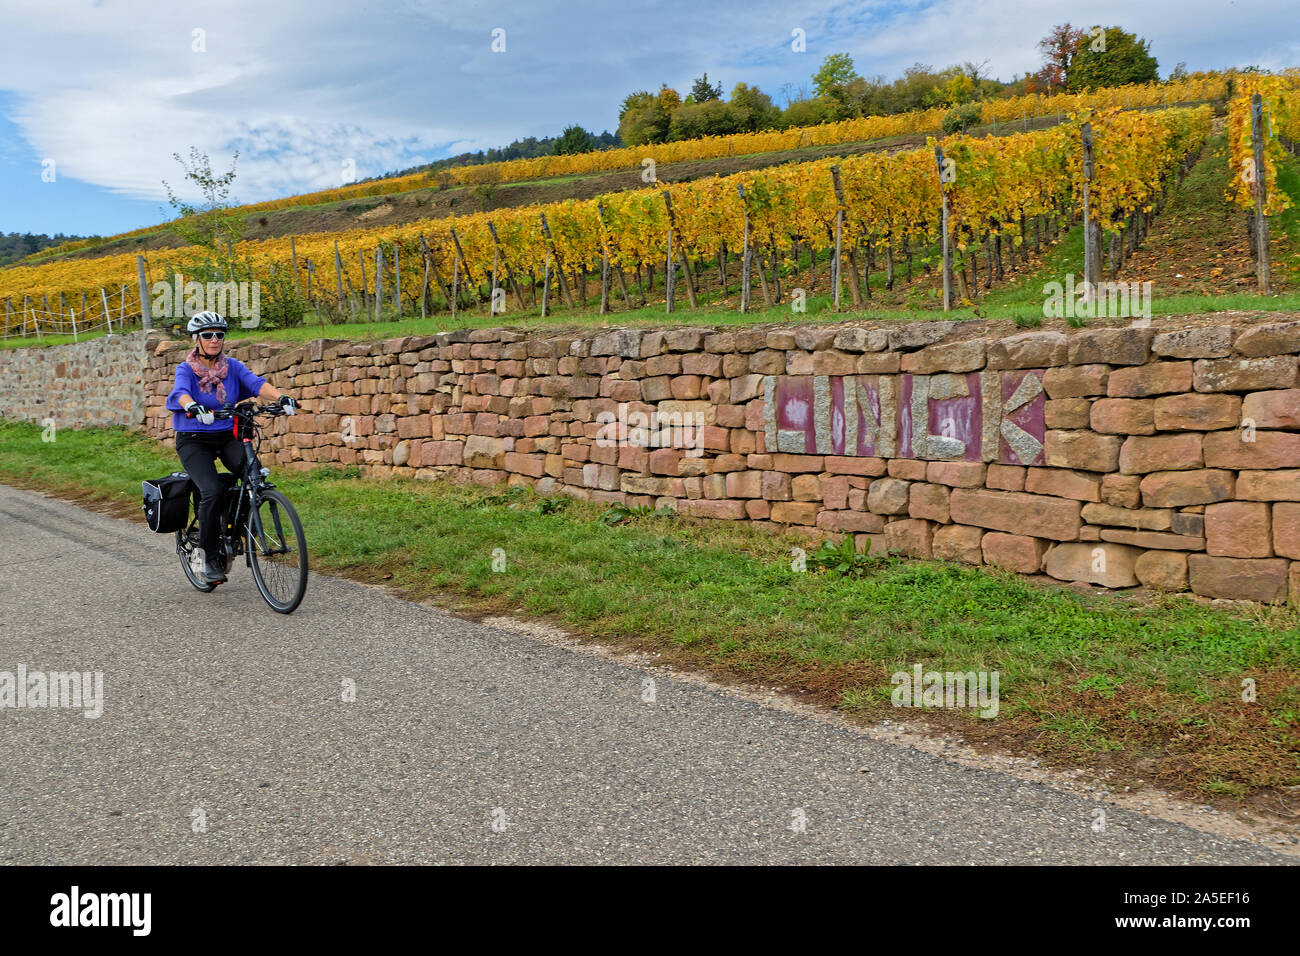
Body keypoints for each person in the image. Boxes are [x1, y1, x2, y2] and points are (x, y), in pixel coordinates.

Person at [164, 311, 297, 584]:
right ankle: (209, 556)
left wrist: (282, 398)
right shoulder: (185, 369)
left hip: (226, 435)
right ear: (196, 339)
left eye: (219, 335)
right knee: (211, 490)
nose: (214, 340)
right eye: (207, 335)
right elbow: (180, 393)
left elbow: (257, 384)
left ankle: (235, 531)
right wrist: (193, 406)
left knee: (255, 477)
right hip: (193, 439)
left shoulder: (232, 367)